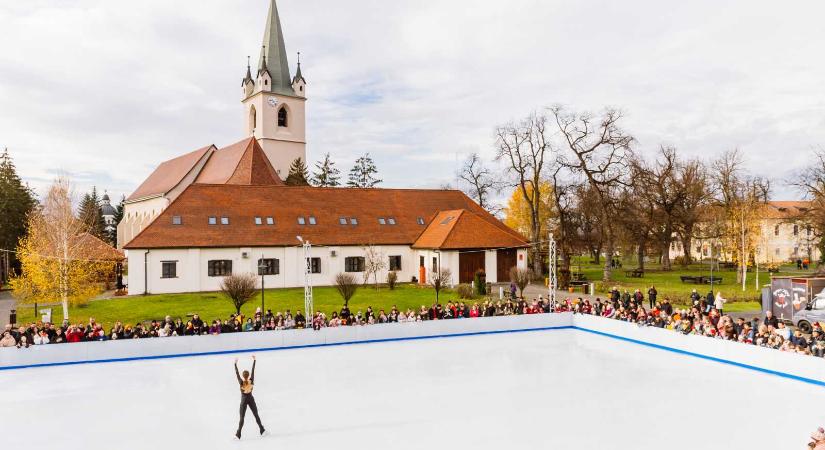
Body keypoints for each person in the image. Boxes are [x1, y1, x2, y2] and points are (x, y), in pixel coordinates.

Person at [234, 356, 265, 439]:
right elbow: (253, 370)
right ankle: (262, 430)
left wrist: (235, 364)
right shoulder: (251, 380)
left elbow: (237, 373)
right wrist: (254, 360)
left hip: (244, 400)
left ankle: (238, 434)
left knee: (242, 418)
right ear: (248, 375)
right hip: (251, 399)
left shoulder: (241, 382)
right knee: (256, 414)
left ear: (243, 376)